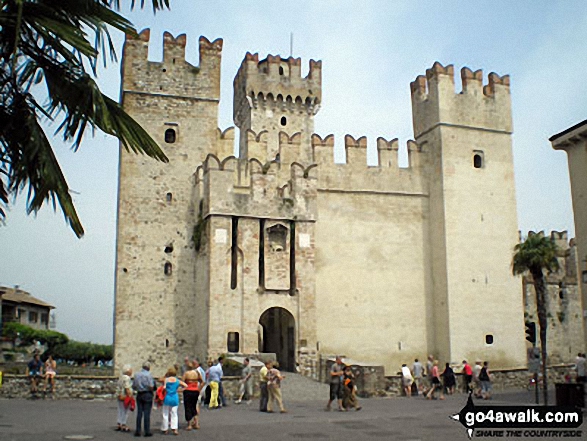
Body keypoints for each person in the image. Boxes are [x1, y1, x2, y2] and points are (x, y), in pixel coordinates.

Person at [133, 361, 156, 437]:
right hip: (147, 393)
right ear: (148, 367)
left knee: (139, 413)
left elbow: (134, 386)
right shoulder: (149, 375)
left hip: (139, 393)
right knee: (147, 413)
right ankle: (147, 431)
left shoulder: (136, 374)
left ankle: (138, 430)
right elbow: (151, 386)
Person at [161, 367, 187, 435]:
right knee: (174, 413)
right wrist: (179, 390)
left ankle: (165, 428)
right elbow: (185, 386)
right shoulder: (177, 381)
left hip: (167, 397)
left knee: (165, 413)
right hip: (175, 397)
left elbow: (163, 387)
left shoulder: (166, 380)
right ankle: (174, 428)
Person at [182, 362, 203, 430]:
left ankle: (189, 424)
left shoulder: (186, 373)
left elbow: (182, 382)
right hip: (195, 391)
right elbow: (202, 381)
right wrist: (199, 389)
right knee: (194, 406)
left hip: (188, 391)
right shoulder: (196, 373)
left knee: (188, 407)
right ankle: (196, 423)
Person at [116, 365, 133, 432]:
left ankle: (119, 423)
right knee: (125, 411)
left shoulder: (121, 377)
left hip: (119, 395)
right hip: (125, 396)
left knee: (120, 410)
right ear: (128, 371)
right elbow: (127, 387)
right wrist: (130, 396)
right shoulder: (127, 378)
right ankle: (123, 424)